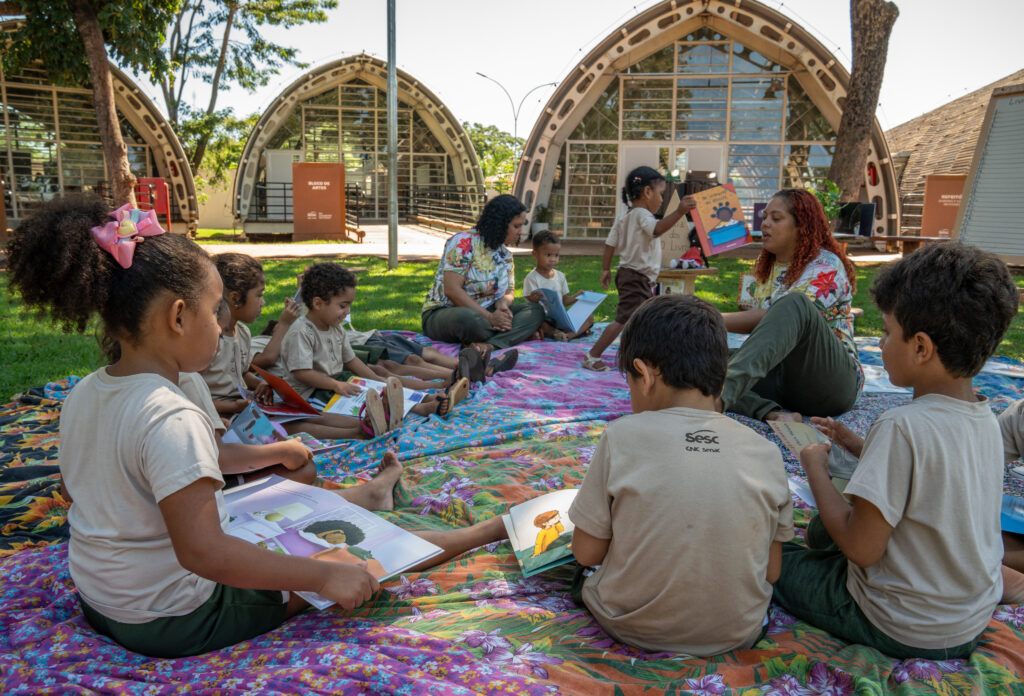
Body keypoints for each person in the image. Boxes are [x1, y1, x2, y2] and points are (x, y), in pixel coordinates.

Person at [5, 194, 510, 659]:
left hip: (103, 600)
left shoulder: (86, 393)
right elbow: (204, 552)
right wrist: (324, 578)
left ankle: (370, 494)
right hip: (175, 617)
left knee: (269, 512)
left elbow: (76, 489)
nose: (223, 325)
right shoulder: (170, 415)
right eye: (215, 311)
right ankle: (484, 531)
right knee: (358, 556)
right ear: (178, 317)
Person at [774, 243, 1022, 659]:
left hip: (898, 623)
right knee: (819, 532)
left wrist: (814, 467)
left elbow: (861, 549)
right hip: (966, 620)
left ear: (921, 348)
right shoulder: (984, 418)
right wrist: (860, 447)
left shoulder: (900, 425)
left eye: (887, 332)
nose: (881, 341)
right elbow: (935, 475)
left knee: (770, 556)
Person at [569, 294, 793, 656]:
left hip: (629, 624)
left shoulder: (621, 435)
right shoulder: (765, 451)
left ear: (644, 375)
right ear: (721, 377)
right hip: (739, 632)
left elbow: (585, 552)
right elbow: (772, 572)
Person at [719, 188, 860, 422]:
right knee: (700, 358)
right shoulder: (767, 267)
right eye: (764, 217)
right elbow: (759, 323)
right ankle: (769, 412)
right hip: (782, 379)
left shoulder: (826, 265)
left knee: (795, 303)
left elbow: (777, 317)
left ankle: (718, 399)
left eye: (776, 218)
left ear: (802, 226)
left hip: (829, 383)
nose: (765, 224)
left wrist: (708, 317)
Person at [281, 262, 468, 436]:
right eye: (343, 306)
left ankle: (425, 399)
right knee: (364, 401)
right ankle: (413, 410)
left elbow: (351, 360)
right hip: (311, 394)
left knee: (380, 388)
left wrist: (376, 380)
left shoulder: (335, 328)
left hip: (337, 382)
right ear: (318, 303)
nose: (347, 312)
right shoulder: (301, 332)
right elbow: (302, 373)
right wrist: (336, 385)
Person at [582, 166, 696, 371]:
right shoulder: (643, 215)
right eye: (661, 194)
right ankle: (593, 355)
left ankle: (640, 356)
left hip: (629, 275)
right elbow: (656, 230)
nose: (662, 200)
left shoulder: (625, 217)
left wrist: (606, 269)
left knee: (641, 319)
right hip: (636, 277)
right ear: (647, 192)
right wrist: (680, 211)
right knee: (624, 319)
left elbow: (609, 244)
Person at [421, 194, 543, 367]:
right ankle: (511, 335)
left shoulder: (505, 255)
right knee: (470, 320)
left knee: (534, 311)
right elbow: (452, 290)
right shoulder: (463, 242)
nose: (521, 231)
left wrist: (503, 306)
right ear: (500, 224)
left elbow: (509, 291)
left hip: (488, 314)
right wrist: (490, 317)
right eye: (516, 226)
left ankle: (488, 345)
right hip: (448, 313)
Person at [178, 371, 317, 488]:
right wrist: (285, 452)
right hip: (210, 480)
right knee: (306, 471)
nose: (218, 349)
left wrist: (217, 421)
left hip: (214, 456)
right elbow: (220, 457)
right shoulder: (189, 379)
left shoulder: (178, 379)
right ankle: (238, 484)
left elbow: (244, 372)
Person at [199, 253, 281, 417]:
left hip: (242, 407)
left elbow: (241, 374)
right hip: (218, 416)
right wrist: (233, 407)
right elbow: (192, 395)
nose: (263, 302)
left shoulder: (243, 332)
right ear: (235, 298)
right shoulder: (208, 340)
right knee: (298, 427)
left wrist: (260, 383)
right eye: (259, 295)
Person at [523, 230, 592, 341]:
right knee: (540, 324)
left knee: (589, 317)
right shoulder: (532, 278)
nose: (553, 259)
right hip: (544, 318)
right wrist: (534, 299)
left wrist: (577, 296)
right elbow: (530, 304)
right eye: (548, 255)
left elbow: (564, 301)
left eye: (556, 255)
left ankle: (567, 336)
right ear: (535, 254)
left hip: (561, 318)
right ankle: (558, 333)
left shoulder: (560, 276)